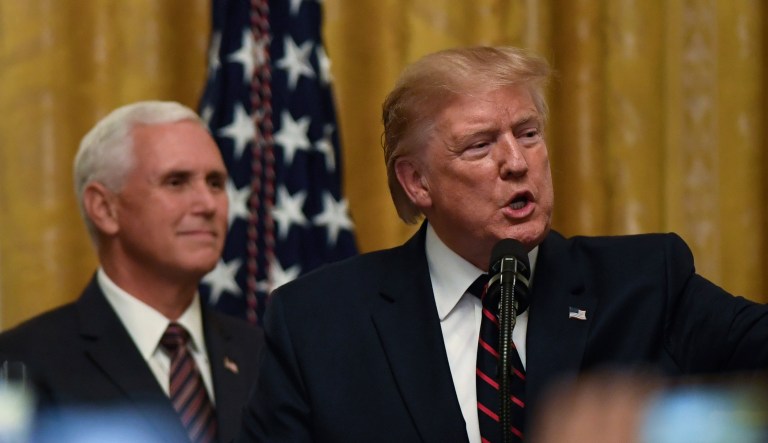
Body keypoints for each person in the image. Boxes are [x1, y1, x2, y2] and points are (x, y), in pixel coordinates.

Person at [236, 46, 768, 443]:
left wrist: (670, 423)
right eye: (480, 145)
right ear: (417, 182)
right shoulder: (319, 322)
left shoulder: (648, 283)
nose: (517, 162)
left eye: (528, 133)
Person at [0, 101, 264, 443]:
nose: (208, 204)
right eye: (176, 182)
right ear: (104, 208)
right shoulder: (22, 363)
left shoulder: (264, 356)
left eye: (215, 183)